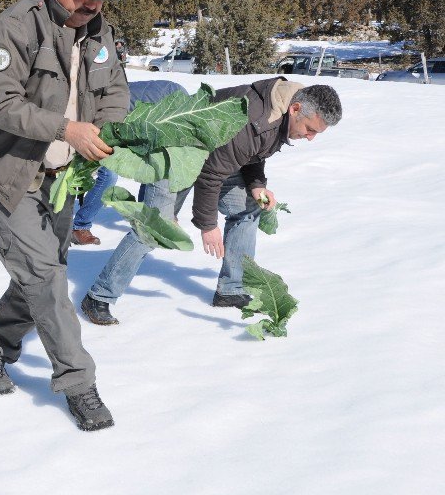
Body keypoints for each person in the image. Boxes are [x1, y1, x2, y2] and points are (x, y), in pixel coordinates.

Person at [0, 0, 129, 431]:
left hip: (61, 177)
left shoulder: (99, 34)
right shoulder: (12, 28)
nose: (92, 6)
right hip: (6, 170)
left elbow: (115, 92)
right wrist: (66, 129)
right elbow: (0, 105)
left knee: (43, 272)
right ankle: (78, 383)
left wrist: (110, 133)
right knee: (46, 277)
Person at [81, 78, 342, 324]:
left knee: (248, 209)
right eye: (310, 130)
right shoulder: (255, 116)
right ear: (296, 108)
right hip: (178, 152)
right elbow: (210, 174)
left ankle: (231, 290)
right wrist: (207, 225)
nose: (310, 138)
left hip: (213, 158)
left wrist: (257, 185)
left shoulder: (279, 113)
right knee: (153, 228)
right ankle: (99, 296)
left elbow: (252, 154)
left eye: (316, 133)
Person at [71, 80, 187, 246]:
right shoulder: (174, 111)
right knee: (109, 175)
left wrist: (169, 214)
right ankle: (79, 226)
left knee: (152, 167)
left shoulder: (178, 97)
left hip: (129, 118)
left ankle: (143, 218)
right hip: (106, 116)